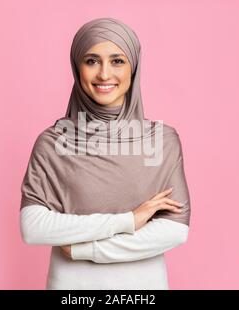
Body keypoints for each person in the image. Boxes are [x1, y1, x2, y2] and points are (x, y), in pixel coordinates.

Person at [20, 17, 191, 290]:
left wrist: (82, 250)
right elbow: (34, 227)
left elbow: (174, 231)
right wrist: (129, 220)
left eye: (117, 61)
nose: (103, 74)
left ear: (133, 68)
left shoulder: (160, 140)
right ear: (77, 68)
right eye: (91, 61)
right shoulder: (53, 143)